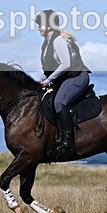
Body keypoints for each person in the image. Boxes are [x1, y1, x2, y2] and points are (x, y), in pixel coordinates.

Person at [35, 9, 91, 155]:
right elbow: (49, 69)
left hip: (77, 76)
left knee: (59, 102)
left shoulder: (58, 40)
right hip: (64, 78)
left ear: (49, 26)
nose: (38, 27)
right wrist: (37, 81)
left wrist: (48, 80)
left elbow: (66, 64)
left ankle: (68, 142)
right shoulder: (46, 43)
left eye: (40, 24)